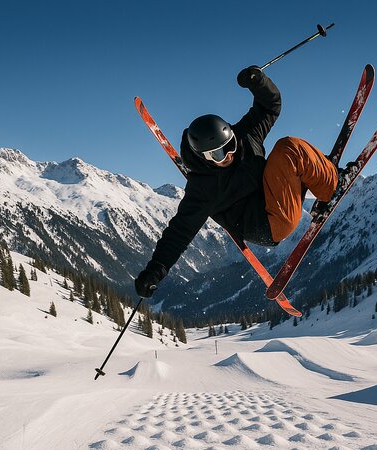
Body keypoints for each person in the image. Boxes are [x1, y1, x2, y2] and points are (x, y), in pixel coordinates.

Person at [134, 66, 346, 298]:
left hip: (272, 193)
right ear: (203, 157)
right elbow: (179, 232)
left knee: (288, 147)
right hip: (268, 224)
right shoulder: (203, 187)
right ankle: (332, 188)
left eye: (229, 145)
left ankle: (323, 185)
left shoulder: (245, 136)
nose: (229, 155)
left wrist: (259, 82)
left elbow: (270, 106)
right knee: (289, 149)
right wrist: (154, 272)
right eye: (218, 154)